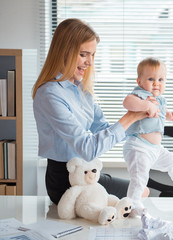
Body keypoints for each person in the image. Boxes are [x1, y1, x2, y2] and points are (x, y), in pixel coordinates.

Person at [32, 18, 149, 205]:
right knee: (140, 192)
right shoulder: (49, 94)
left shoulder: (80, 89)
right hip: (66, 181)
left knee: (142, 190)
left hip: (87, 172)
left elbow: (102, 128)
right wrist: (129, 117)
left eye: (93, 55)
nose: (89, 63)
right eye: (84, 54)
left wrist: (142, 119)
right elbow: (88, 149)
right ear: (65, 52)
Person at [123, 57, 173, 214]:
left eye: (161, 79)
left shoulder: (160, 100)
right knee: (140, 177)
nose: (156, 83)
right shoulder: (140, 94)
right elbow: (127, 103)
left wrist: (168, 115)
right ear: (139, 81)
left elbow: (158, 113)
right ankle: (133, 204)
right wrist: (145, 104)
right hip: (138, 147)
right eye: (151, 79)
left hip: (155, 149)